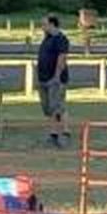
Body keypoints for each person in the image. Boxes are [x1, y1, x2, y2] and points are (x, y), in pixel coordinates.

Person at [36, 14, 71, 147]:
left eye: (44, 24)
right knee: (48, 108)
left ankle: (63, 133)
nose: (42, 27)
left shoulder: (60, 39)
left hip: (55, 79)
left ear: (52, 24)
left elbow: (62, 58)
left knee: (57, 107)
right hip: (43, 79)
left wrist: (56, 77)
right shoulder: (47, 39)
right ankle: (53, 133)